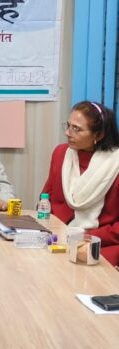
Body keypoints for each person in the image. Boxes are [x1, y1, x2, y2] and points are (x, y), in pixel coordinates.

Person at [42, 101, 119, 266]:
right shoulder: (60, 153)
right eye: (68, 126)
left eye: (76, 129)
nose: (67, 133)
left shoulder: (115, 164)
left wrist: (87, 236)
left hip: (102, 242)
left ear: (99, 135)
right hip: (59, 235)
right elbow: (45, 198)